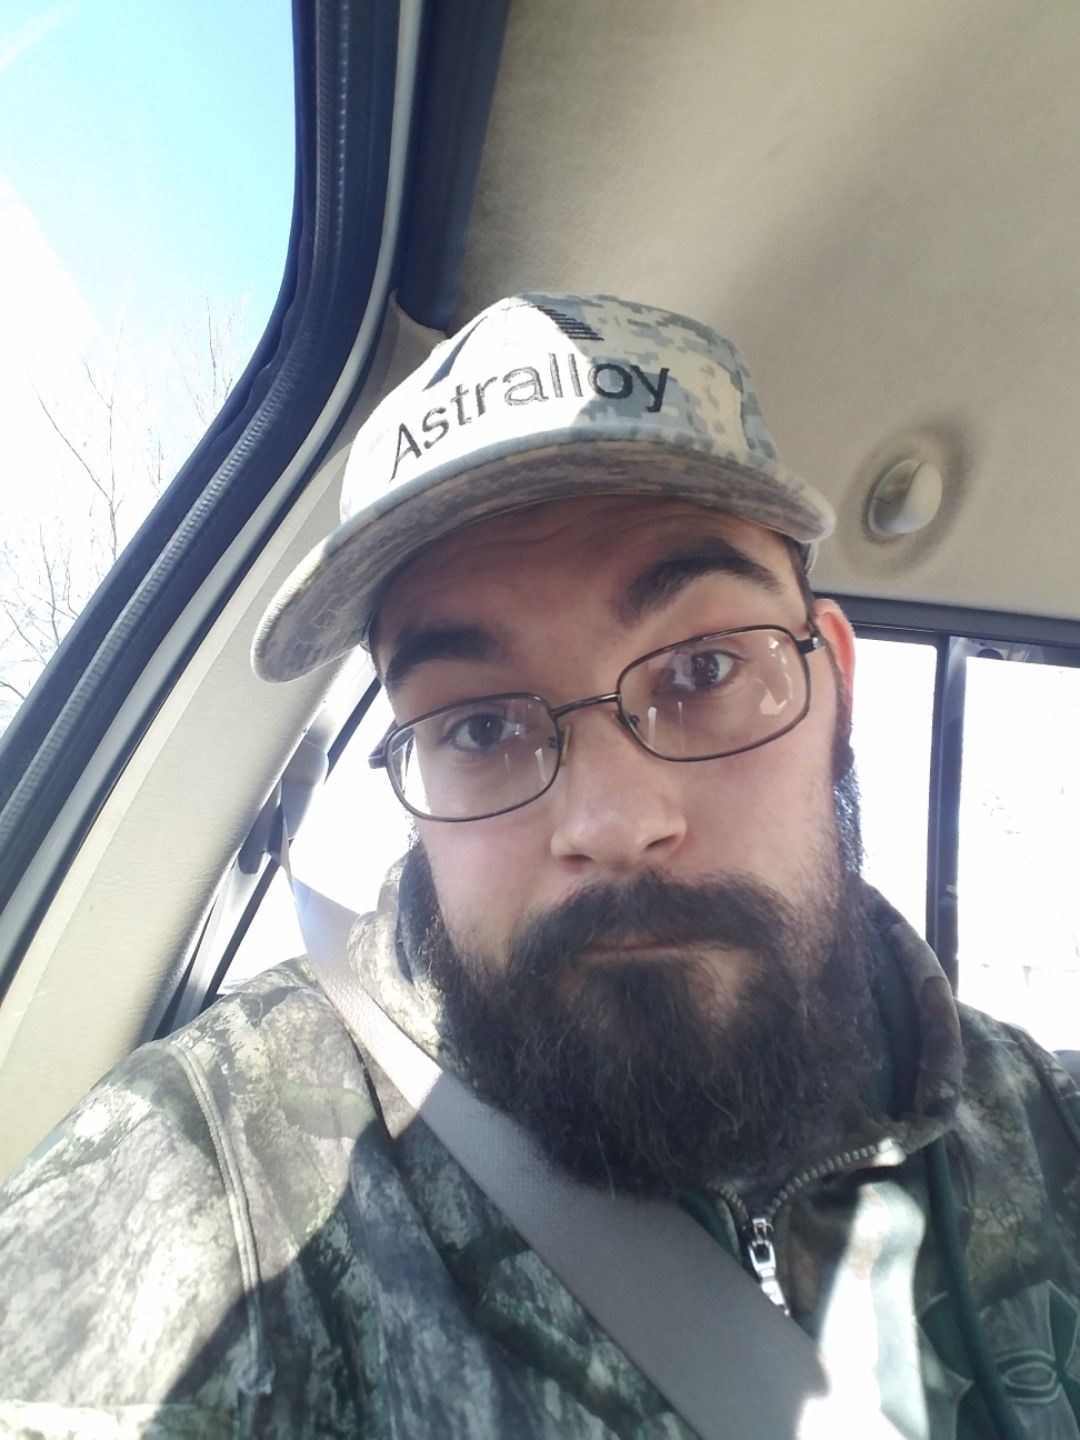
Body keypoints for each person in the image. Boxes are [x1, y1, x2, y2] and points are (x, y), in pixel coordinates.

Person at [1, 293, 1079, 1439]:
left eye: (704, 670)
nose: (613, 822)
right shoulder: (217, 1171)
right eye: (478, 726)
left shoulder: (1053, 1133)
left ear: (837, 693)